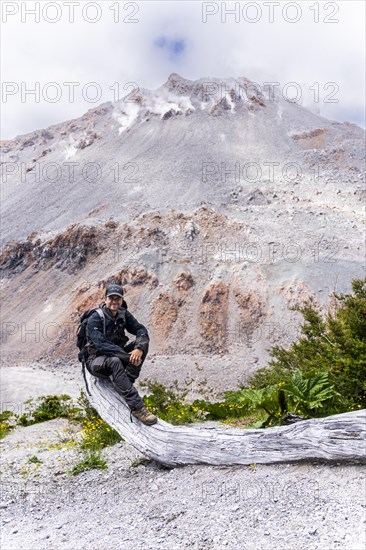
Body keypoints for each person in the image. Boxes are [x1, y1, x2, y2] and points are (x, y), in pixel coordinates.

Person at [85, 283, 157, 426]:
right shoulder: (95, 318)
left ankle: (126, 381)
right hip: (96, 361)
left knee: (142, 343)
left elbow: (140, 329)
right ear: (105, 299)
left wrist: (139, 349)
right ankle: (138, 408)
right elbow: (101, 345)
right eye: (111, 298)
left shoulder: (123, 314)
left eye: (117, 298)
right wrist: (128, 357)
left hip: (117, 356)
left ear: (122, 300)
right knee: (114, 361)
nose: (114, 301)